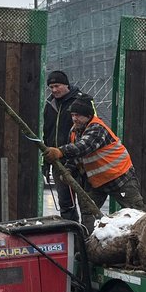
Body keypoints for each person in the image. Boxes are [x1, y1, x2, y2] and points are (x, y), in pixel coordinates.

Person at [45, 98, 146, 233]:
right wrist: (68, 169)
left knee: (137, 213)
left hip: (120, 178)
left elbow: (84, 147)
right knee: (88, 214)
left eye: (78, 115)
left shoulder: (97, 128)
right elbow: (77, 156)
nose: (74, 118)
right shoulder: (74, 131)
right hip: (96, 182)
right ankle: (90, 245)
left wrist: (60, 151)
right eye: (73, 115)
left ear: (88, 116)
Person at [42, 70, 90, 223]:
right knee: (65, 204)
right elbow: (47, 133)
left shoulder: (81, 101)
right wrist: (46, 162)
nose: (54, 90)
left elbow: (89, 130)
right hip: (57, 161)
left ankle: (86, 239)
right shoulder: (50, 105)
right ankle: (73, 237)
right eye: (51, 87)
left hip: (80, 161)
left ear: (66, 85)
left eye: (57, 85)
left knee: (86, 204)